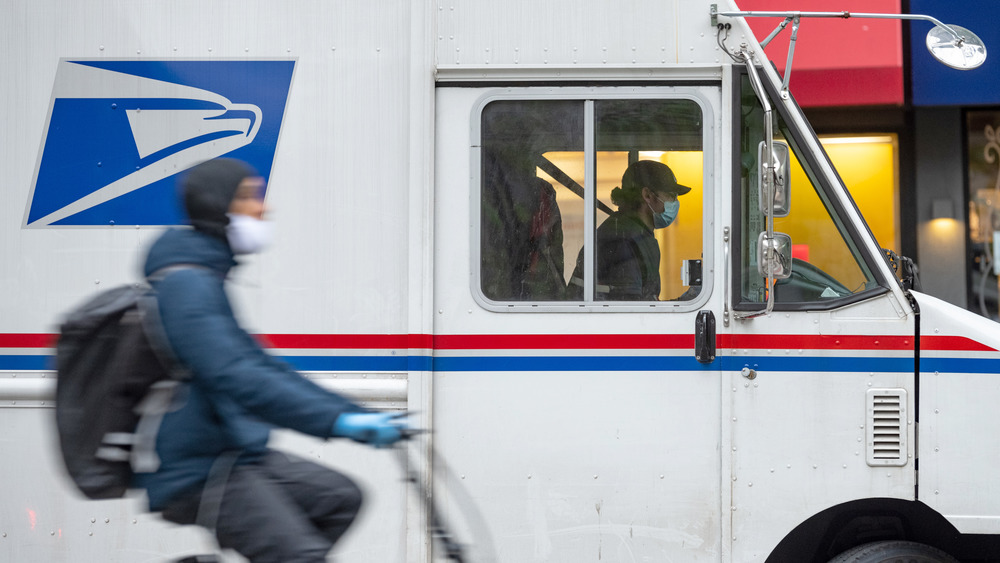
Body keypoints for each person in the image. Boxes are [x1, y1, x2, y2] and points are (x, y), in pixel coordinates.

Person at [136, 158, 406, 563]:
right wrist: (337, 423)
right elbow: (236, 375)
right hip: (199, 468)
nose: (264, 208)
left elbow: (263, 367)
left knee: (338, 499)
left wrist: (349, 413)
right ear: (217, 206)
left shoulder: (205, 277)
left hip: (232, 452)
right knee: (301, 555)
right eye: (249, 196)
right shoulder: (186, 285)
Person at [569, 160, 691, 301]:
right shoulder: (621, 242)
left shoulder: (633, 233)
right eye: (671, 196)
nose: (675, 203)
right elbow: (632, 311)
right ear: (648, 195)